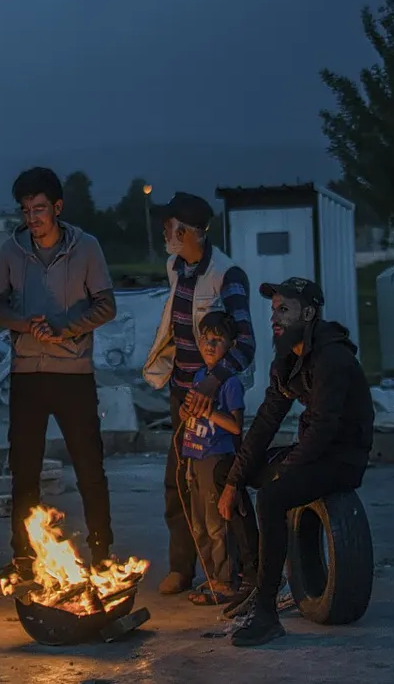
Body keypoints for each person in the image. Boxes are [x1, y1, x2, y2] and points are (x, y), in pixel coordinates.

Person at [219, 278, 374, 649]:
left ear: (308, 313)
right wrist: (234, 481)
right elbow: (267, 421)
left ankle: (267, 614)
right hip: (314, 450)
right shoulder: (288, 358)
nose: (274, 317)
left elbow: (323, 430)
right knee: (229, 472)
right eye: (273, 309)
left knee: (272, 497)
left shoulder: (332, 358)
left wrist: (285, 473)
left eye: (284, 309)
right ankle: (258, 581)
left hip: (341, 457)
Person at [0, 166, 117, 593]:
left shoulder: (86, 247)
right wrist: (25, 323)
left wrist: (64, 328)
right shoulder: (11, 251)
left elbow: (106, 305)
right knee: (24, 469)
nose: (32, 218)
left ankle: (103, 555)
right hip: (27, 374)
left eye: (39, 209)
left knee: (89, 466)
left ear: (57, 207)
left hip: (73, 373)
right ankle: (24, 559)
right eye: (26, 210)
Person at [139, 191, 256, 598]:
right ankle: (183, 567)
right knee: (180, 480)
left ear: (186, 232)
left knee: (220, 488)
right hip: (184, 397)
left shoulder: (227, 275)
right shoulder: (176, 268)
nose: (164, 235)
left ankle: (237, 572)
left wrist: (212, 382)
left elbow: (246, 344)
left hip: (217, 401)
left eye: (168, 228)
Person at [176, 312, 249, 607]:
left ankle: (227, 580)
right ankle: (211, 575)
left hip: (215, 458)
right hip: (194, 456)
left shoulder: (229, 383)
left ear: (230, 345)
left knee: (217, 524)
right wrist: (185, 411)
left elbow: (236, 426)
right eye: (205, 338)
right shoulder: (199, 377)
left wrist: (209, 412)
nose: (210, 344)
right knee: (198, 525)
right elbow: (188, 412)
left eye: (218, 340)